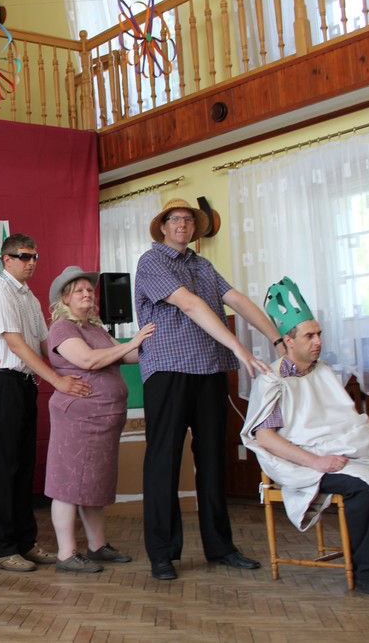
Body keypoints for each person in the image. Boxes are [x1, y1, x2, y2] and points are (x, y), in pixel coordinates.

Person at [242, 277, 369, 594]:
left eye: (319, 334)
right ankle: (367, 572)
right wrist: (316, 461)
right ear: (289, 341)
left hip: (343, 454)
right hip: (304, 462)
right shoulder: (272, 381)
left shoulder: (324, 371)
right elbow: (265, 439)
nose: (318, 341)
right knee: (365, 489)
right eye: (309, 336)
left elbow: (345, 421)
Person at [134, 198, 282, 581]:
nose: (182, 224)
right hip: (168, 370)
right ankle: (162, 553)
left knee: (214, 460)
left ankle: (221, 547)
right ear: (163, 226)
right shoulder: (152, 261)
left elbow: (238, 300)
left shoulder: (203, 265)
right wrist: (239, 347)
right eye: (175, 219)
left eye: (188, 219)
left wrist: (278, 339)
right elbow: (189, 304)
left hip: (210, 369)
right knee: (164, 461)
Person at [0, 233, 89, 573]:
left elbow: (45, 343)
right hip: (1, 384)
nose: (31, 262)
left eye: (34, 256)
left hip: (25, 384)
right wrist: (57, 381)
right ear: (6, 259)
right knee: (2, 468)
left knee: (24, 466)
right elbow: (15, 343)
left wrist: (75, 365)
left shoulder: (28, 296)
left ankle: (25, 542)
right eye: (24, 256)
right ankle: (2, 548)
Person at [45, 266, 155, 573]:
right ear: (65, 298)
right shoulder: (63, 328)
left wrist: (151, 345)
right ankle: (66, 553)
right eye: (78, 290)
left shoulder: (94, 327)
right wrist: (133, 342)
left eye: (89, 290)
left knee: (94, 484)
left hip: (104, 419)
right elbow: (88, 360)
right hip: (79, 418)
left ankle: (97, 546)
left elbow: (123, 355)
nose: (86, 294)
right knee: (68, 484)